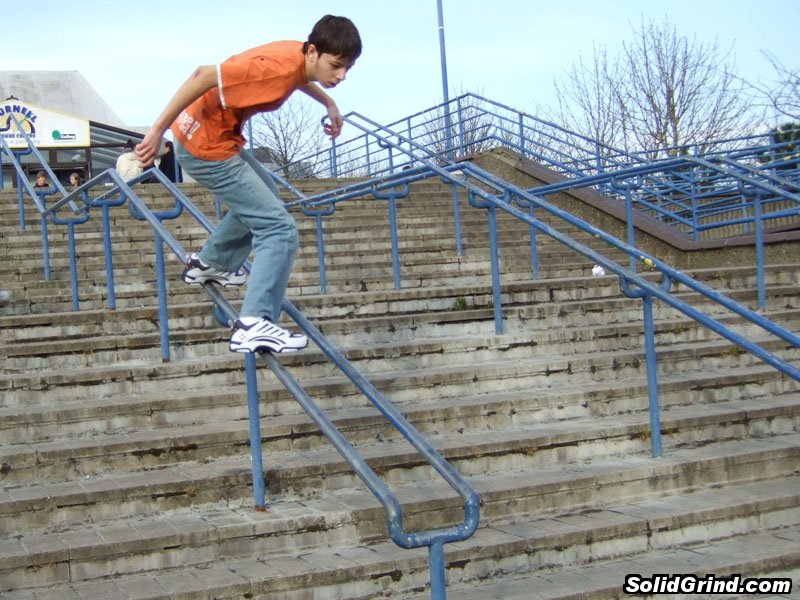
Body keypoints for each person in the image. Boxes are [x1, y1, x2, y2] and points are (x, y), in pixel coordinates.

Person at [135, 15, 362, 354]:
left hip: (217, 138)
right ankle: (254, 323)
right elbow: (202, 75)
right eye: (336, 66)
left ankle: (210, 264)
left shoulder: (296, 58)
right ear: (313, 51)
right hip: (205, 148)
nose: (341, 76)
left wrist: (329, 102)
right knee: (279, 229)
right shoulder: (276, 71)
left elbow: (300, 79)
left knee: (266, 197)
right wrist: (156, 130)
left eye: (348, 69)